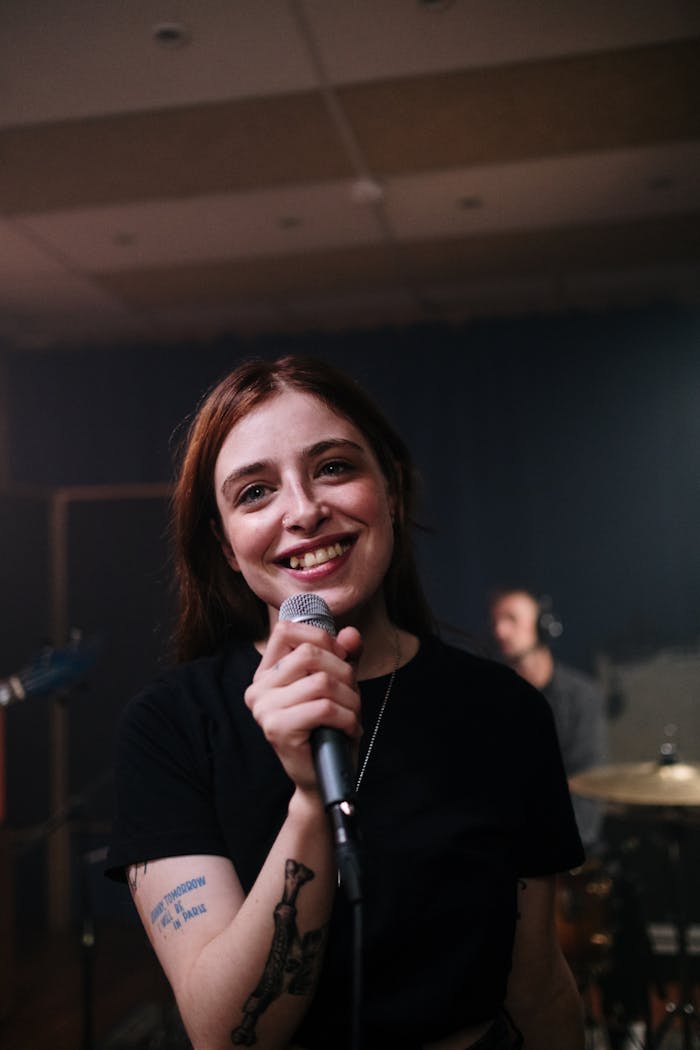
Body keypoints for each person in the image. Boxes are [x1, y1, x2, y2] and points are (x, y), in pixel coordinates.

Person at [105, 355, 586, 1050]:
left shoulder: (505, 712)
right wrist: (308, 798)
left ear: (390, 488)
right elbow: (226, 1035)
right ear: (227, 546)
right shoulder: (169, 726)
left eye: (333, 467)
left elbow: (537, 981)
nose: (302, 511)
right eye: (254, 492)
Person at [487, 587, 608, 855]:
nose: (500, 631)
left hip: (565, 848)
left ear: (544, 626)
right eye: (495, 622)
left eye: (511, 619)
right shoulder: (490, 696)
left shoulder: (582, 696)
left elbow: (589, 785)